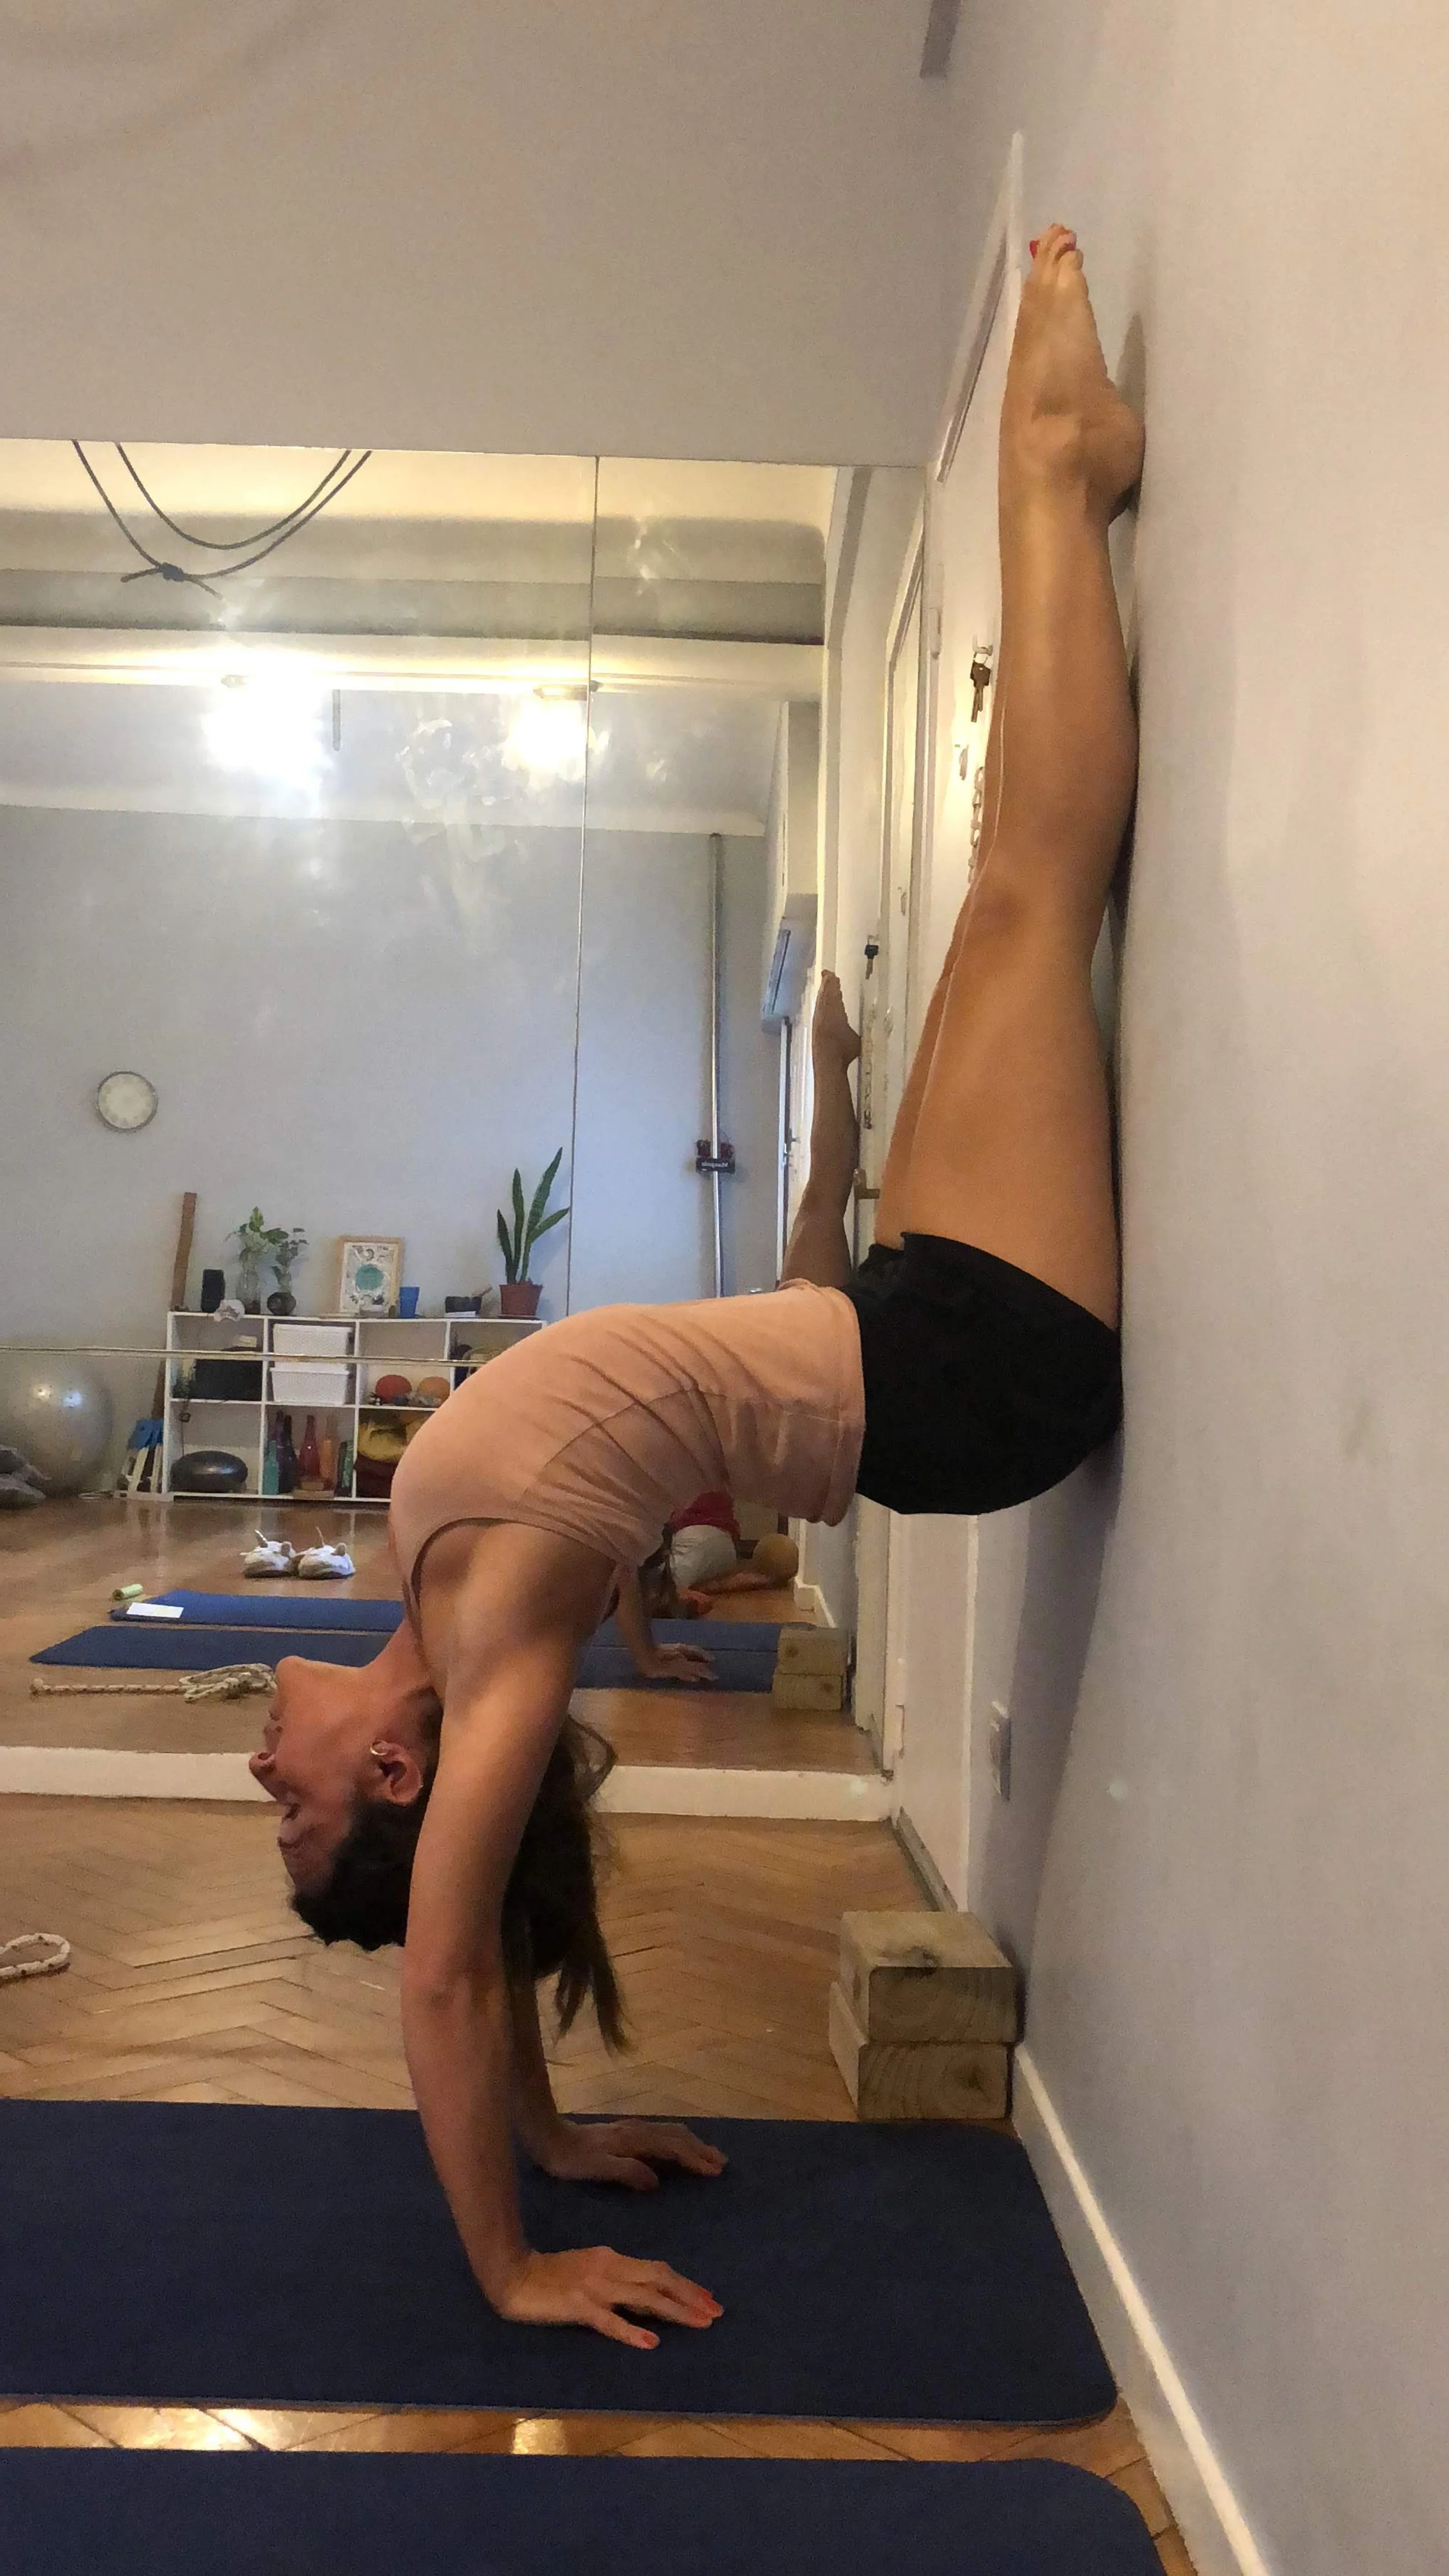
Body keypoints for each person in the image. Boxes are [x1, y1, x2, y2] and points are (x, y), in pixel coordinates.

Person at [251, 227, 1143, 2352]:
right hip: (974, 1378)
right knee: (1028, 888)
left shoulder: (425, 1569)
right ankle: (1054, 458)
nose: (259, 1770)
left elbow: (497, 1944)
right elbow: (452, 1965)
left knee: (989, 912)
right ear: (390, 1776)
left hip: (895, 1334)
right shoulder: (481, 1653)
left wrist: (561, 2141)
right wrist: (510, 2258)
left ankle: (1043, 478)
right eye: (285, 1804)